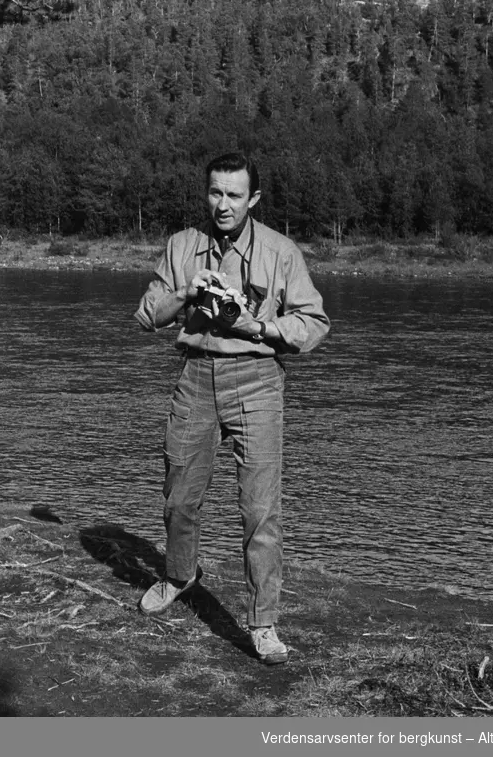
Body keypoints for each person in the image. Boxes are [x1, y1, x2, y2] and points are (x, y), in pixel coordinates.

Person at [133, 152, 330, 665]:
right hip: (195, 376)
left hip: (258, 381)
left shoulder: (281, 251)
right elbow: (146, 316)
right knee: (179, 497)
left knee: (260, 512)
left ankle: (264, 624)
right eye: (216, 193)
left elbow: (314, 324)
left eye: (235, 195)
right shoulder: (181, 246)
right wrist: (184, 291)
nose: (223, 205)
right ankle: (180, 575)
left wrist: (259, 327)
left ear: (254, 200)